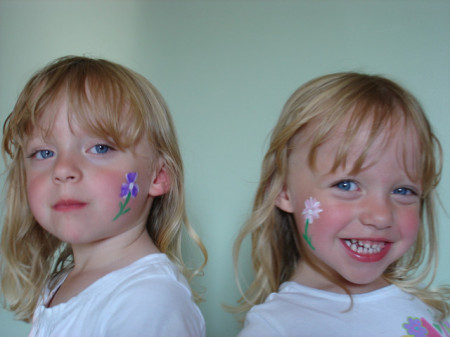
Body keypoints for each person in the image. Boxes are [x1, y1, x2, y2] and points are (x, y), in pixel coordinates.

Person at [0, 56, 207, 337]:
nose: (62, 170)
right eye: (44, 153)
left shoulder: (148, 302)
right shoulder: (59, 284)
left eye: (99, 148)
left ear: (158, 176)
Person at [233, 72, 449, 336]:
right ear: (284, 192)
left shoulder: (428, 310)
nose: (381, 216)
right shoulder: (276, 328)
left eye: (403, 190)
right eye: (346, 185)